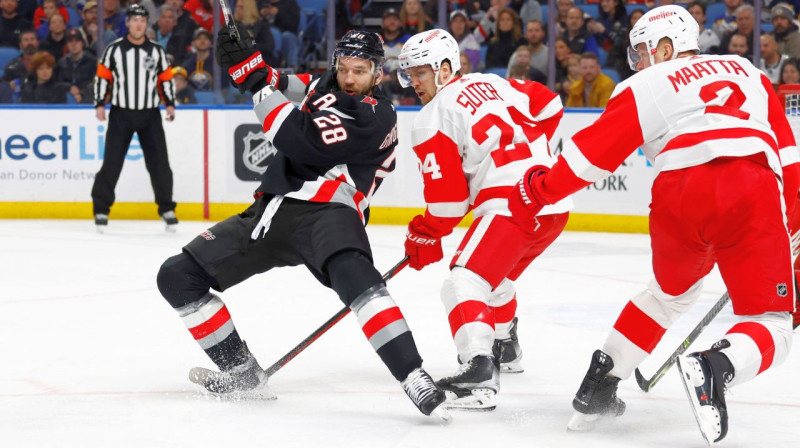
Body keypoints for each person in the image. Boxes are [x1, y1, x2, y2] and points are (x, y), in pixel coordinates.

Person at [507, 5, 798, 444]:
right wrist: (791, 231)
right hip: (749, 185)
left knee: (669, 294)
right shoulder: (749, 71)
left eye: (642, 51)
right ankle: (716, 366)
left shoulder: (643, 83)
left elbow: (589, 159)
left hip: (677, 193)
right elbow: (789, 159)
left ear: (667, 47)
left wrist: (539, 189)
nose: (638, 61)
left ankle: (600, 386)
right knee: (772, 319)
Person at [155, 28, 449, 419]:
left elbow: (298, 139)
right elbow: (303, 86)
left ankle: (412, 373)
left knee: (358, 282)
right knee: (177, 276)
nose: (348, 78)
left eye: (359, 71)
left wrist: (255, 82)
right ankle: (242, 373)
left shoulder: (378, 116)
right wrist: (253, 65)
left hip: (329, 213)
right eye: (342, 67)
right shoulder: (333, 82)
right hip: (273, 208)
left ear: (379, 73)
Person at [397, 29, 571, 411]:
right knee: (496, 277)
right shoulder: (496, 82)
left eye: (420, 73)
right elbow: (551, 104)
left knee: (463, 281)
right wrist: (531, 152)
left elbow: (448, 205)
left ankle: (477, 370)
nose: (414, 83)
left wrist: (424, 234)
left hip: (512, 204)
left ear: (445, 68)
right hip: (553, 203)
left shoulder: (432, 116)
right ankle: (506, 348)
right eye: (409, 74)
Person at [92, 4, 177, 232]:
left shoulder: (157, 51)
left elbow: (165, 79)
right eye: (134, 20)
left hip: (150, 114)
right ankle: (101, 208)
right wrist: (100, 103)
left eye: (142, 20)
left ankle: (167, 208)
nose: (138, 24)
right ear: (127, 23)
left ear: (146, 24)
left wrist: (169, 103)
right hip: (121, 113)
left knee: (159, 163)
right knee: (112, 162)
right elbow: (102, 78)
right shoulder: (114, 50)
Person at [57, 28, 97, 103]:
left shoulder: (92, 61)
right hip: (66, 99)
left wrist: (82, 94)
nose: (73, 44)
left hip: (88, 100)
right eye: (70, 41)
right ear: (67, 45)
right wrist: (69, 87)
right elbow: (57, 83)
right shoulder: (62, 63)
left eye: (77, 41)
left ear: (82, 43)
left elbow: (95, 84)